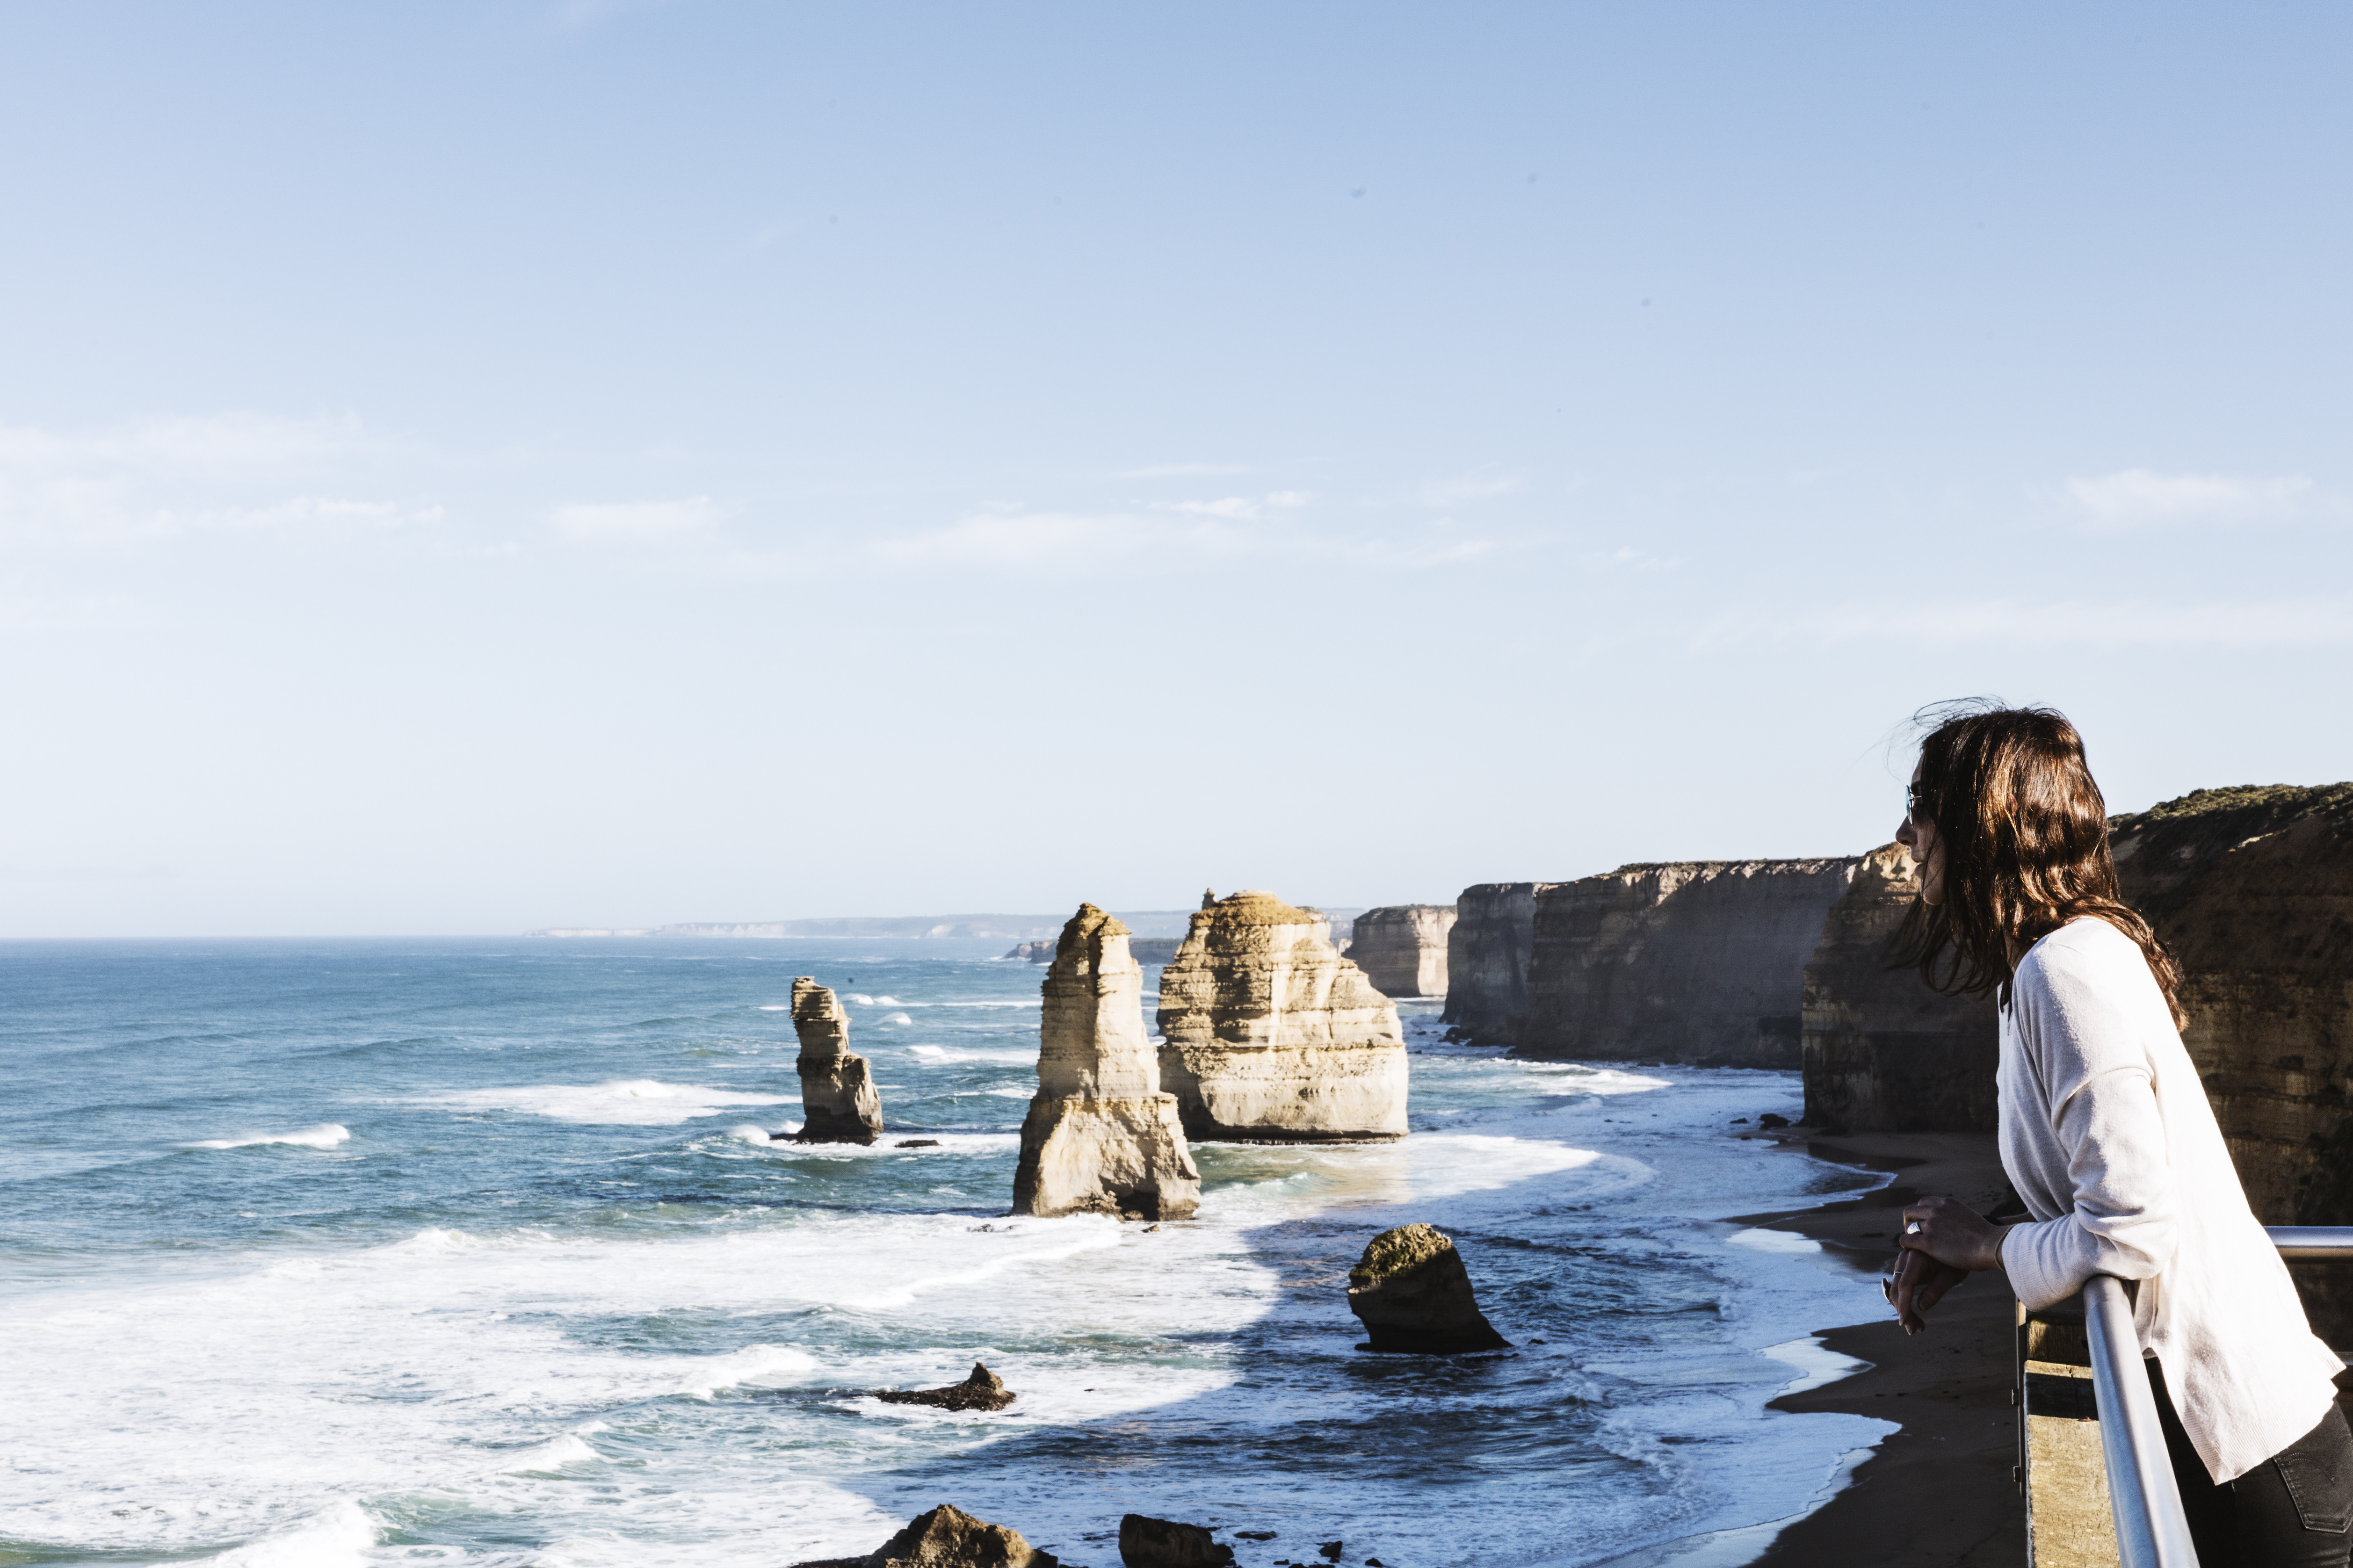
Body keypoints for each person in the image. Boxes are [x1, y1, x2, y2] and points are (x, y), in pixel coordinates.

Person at [1883, 702, 2352, 1565]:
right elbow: (2095, 1175)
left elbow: (2130, 1224)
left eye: (1919, 802)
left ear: (1980, 817)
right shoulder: (2050, 962)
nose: (1906, 831)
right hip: (2231, 1444)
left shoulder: (2065, 971)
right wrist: (1975, 1232)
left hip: (2253, 1454)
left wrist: (1989, 1248)